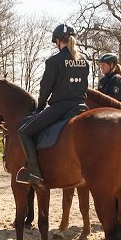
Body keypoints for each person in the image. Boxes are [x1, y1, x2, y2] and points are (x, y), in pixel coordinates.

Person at [17, 24, 89, 186]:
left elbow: (45, 90)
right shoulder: (84, 61)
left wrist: (40, 108)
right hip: (81, 107)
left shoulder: (54, 61)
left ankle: (34, 172)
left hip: (61, 108)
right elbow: (84, 87)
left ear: (57, 41)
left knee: (24, 131)